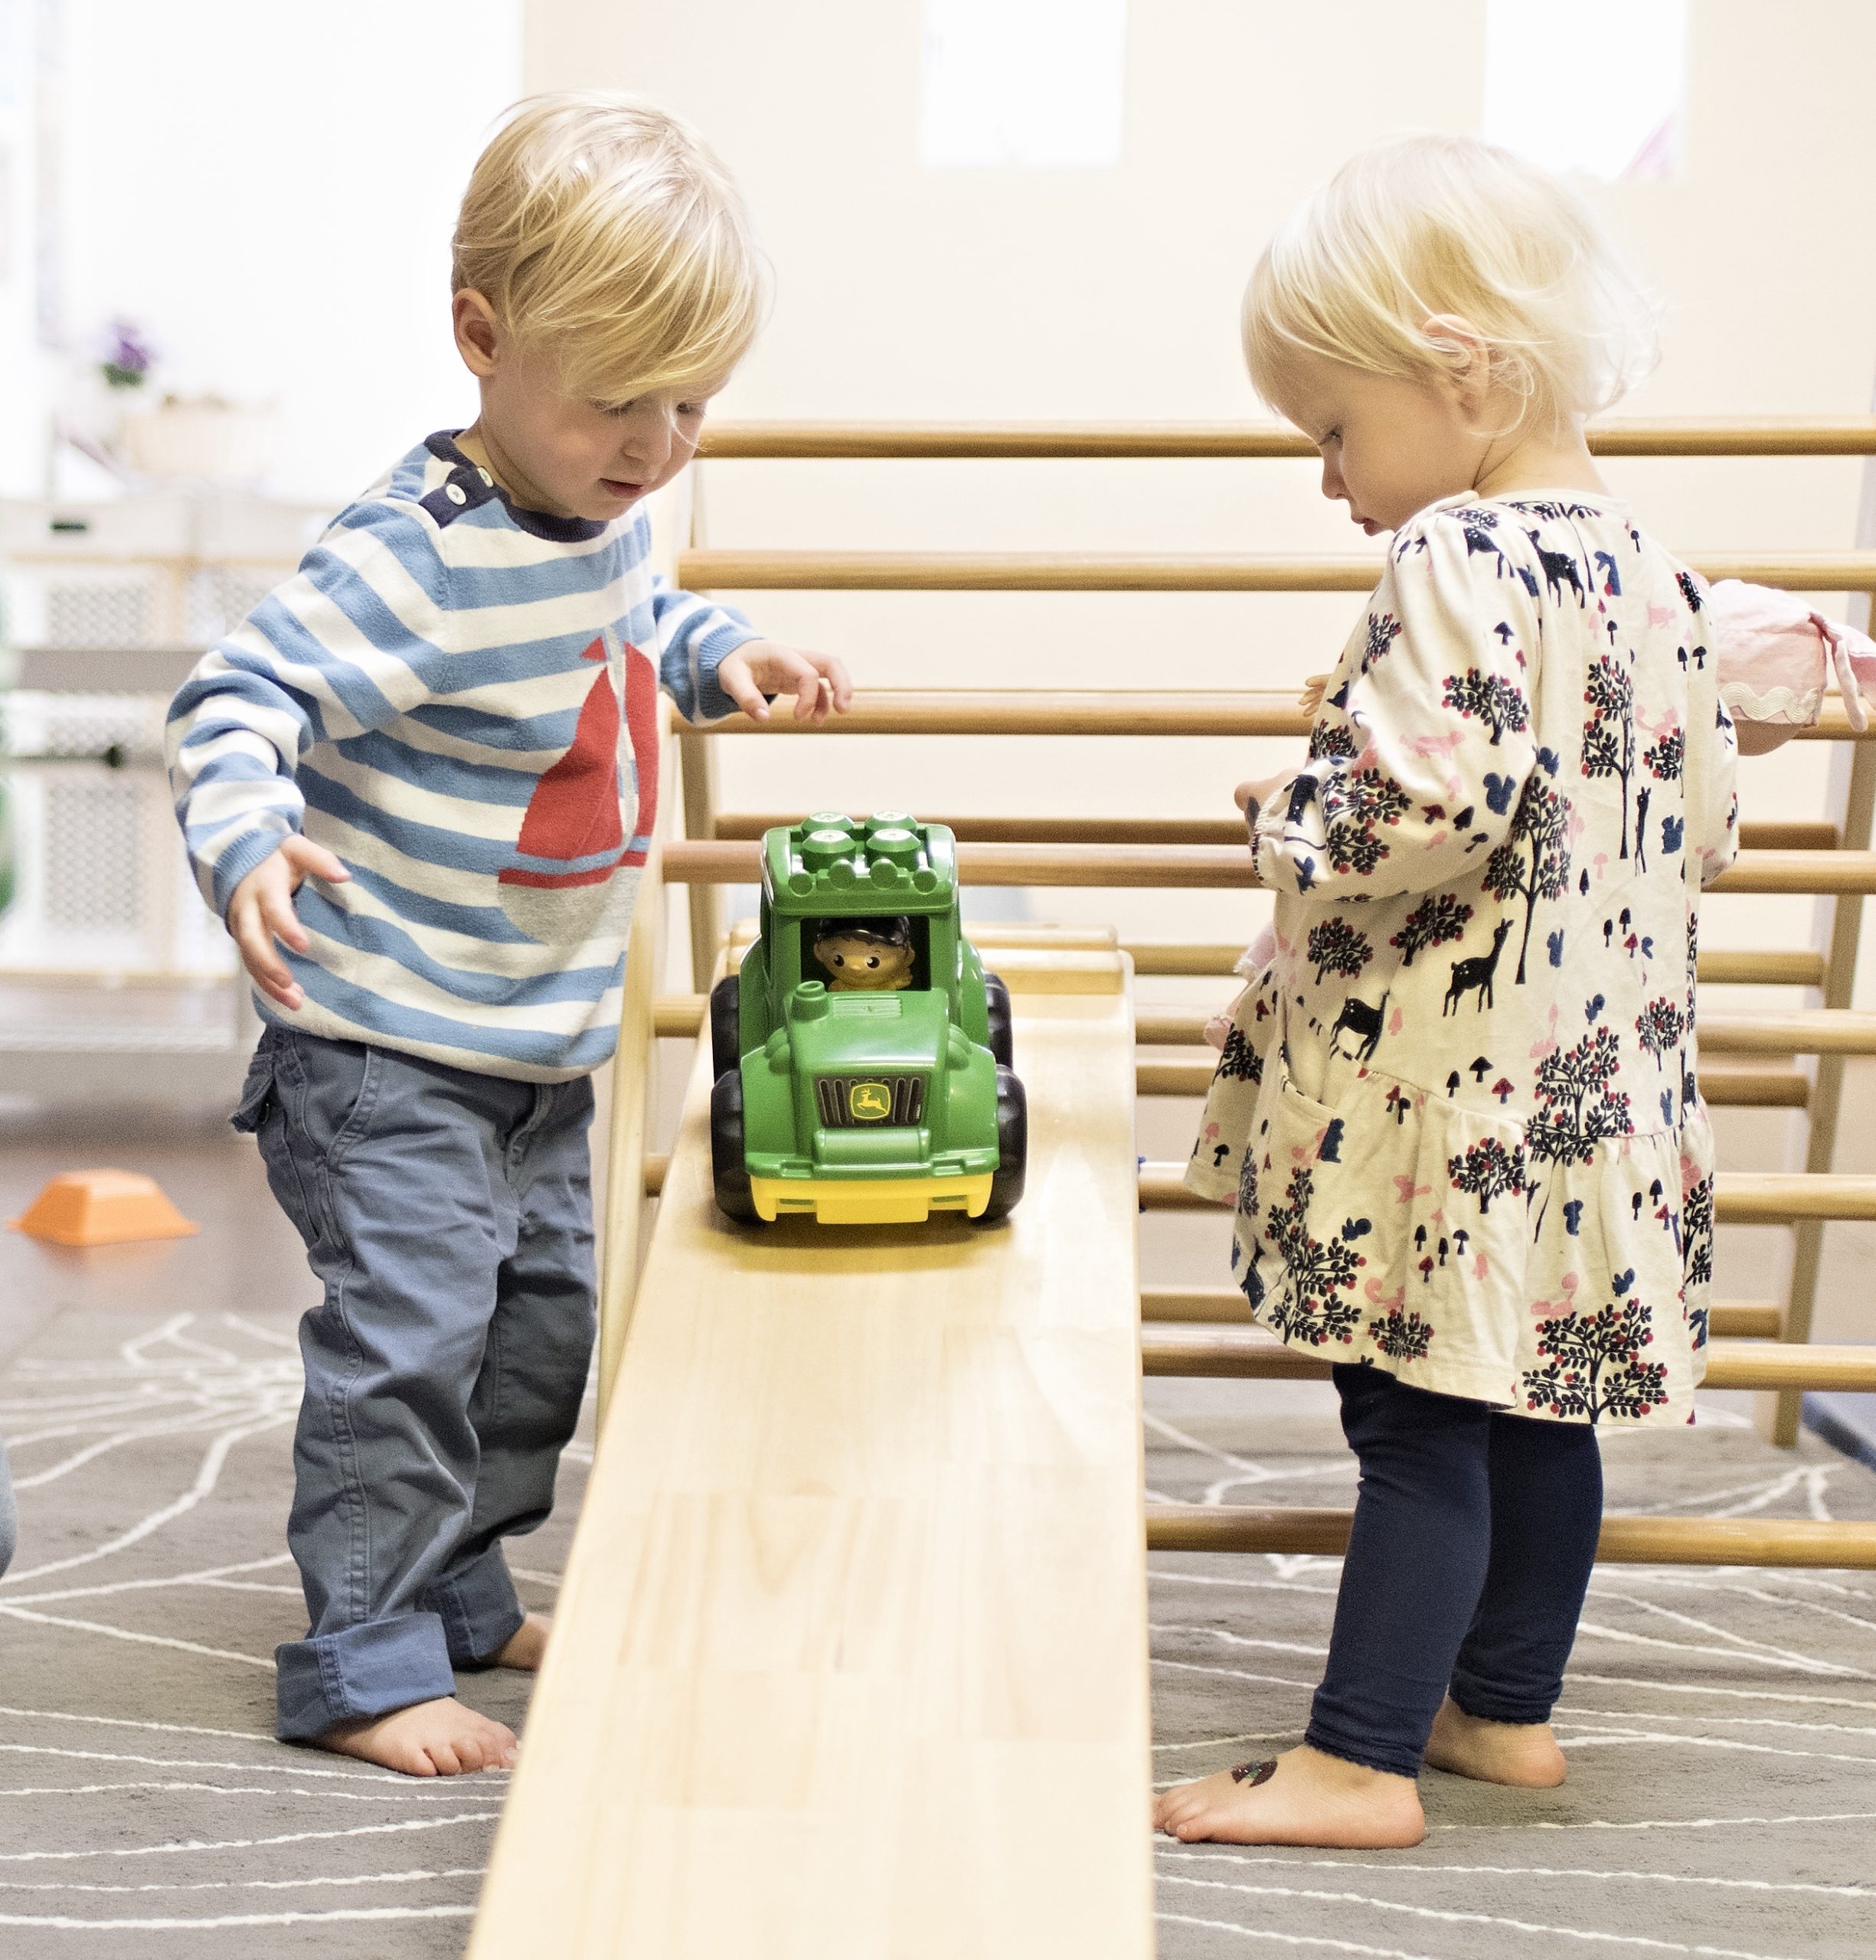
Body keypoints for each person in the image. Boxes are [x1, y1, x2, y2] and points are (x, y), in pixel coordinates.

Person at [165, 92, 851, 1778]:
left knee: (539, 1339)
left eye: (690, 404)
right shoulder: (416, 557)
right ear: (481, 337)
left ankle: (460, 1591)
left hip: (536, 1045)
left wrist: (718, 653)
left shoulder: (603, 506)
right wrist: (248, 838)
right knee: (410, 1343)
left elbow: (628, 613)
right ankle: (361, 1656)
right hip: (385, 1045)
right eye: (618, 399)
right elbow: (234, 695)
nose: (656, 443)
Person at [1159, 133, 1737, 1849]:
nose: (1329, 477)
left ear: (1459, 369)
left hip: (1450, 1101)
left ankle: (1358, 1760)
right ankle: (1503, 1707)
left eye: (1335, 428)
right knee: (1541, 1401)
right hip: (1599, 1094)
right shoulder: (1658, 573)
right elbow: (1708, 822)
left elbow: (1422, 802)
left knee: (1413, 1417)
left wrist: (1291, 809)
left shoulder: (1459, 554)